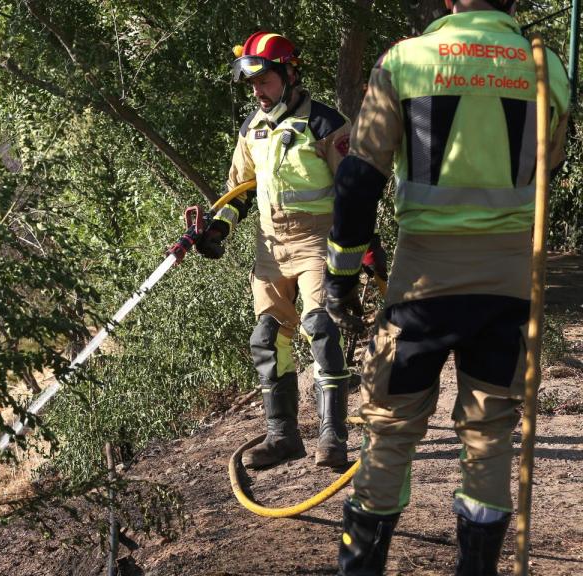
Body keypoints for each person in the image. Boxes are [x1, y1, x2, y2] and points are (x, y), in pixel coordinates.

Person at [324, 0, 571, 574]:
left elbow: (360, 178)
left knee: (388, 430)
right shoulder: (546, 67)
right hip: (512, 283)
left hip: (422, 283)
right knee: (490, 435)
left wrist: (341, 272)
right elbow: (548, 165)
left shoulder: (406, 60)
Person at [197, 31, 364, 469]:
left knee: (320, 329)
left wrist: (362, 251)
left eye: (264, 81)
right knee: (268, 338)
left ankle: (333, 439)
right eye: (251, 85)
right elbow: (239, 192)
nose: (257, 92)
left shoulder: (327, 124)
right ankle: (283, 437)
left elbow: (354, 194)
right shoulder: (252, 128)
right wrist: (217, 231)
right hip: (271, 248)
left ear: (290, 75)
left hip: (317, 242)